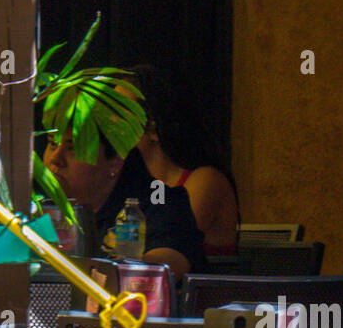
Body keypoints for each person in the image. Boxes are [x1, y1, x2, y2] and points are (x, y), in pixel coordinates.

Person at [41, 130, 207, 278]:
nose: (55, 159)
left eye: (73, 148)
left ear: (115, 163)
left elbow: (161, 269)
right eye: (52, 144)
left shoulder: (160, 200)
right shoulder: (37, 204)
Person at [127, 64, 241, 256]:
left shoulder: (205, 180)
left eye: (120, 114)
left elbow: (167, 240)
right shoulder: (144, 185)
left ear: (152, 128)